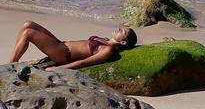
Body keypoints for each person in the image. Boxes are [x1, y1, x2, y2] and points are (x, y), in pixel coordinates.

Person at [8, 22, 136, 69]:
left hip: (63, 53)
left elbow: (84, 62)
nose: (119, 29)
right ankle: (13, 61)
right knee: (27, 24)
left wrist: (58, 68)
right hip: (61, 44)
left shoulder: (107, 50)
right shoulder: (105, 40)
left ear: (123, 42)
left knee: (28, 33)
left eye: (122, 31)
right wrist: (48, 58)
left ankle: (11, 65)